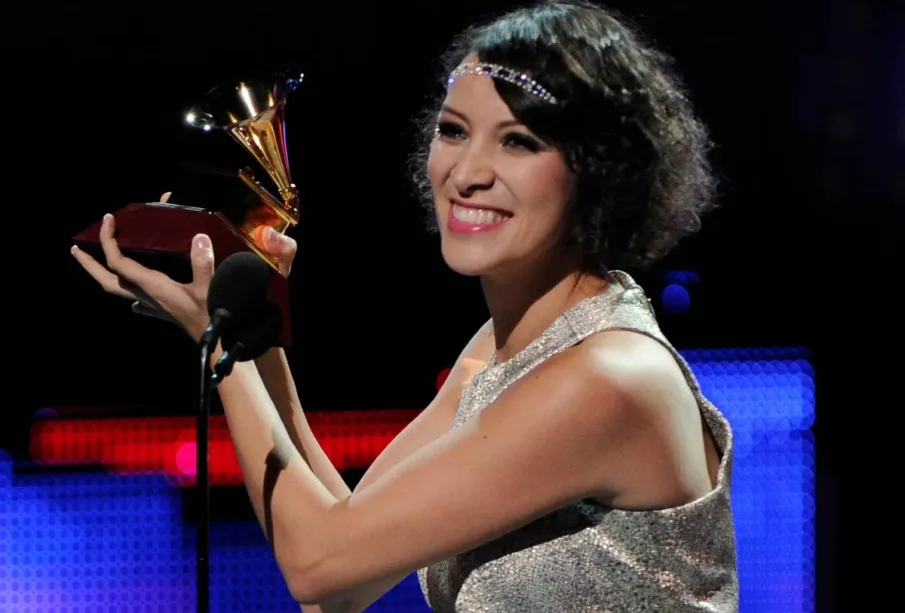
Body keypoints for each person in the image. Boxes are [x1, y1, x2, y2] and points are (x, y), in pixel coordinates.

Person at [72, 1, 738, 611]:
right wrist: (255, 328)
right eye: (453, 131)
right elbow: (344, 558)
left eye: (518, 141)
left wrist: (219, 348)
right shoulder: (499, 347)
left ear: (598, 172)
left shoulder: (607, 378)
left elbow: (319, 564)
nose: (467, 170)